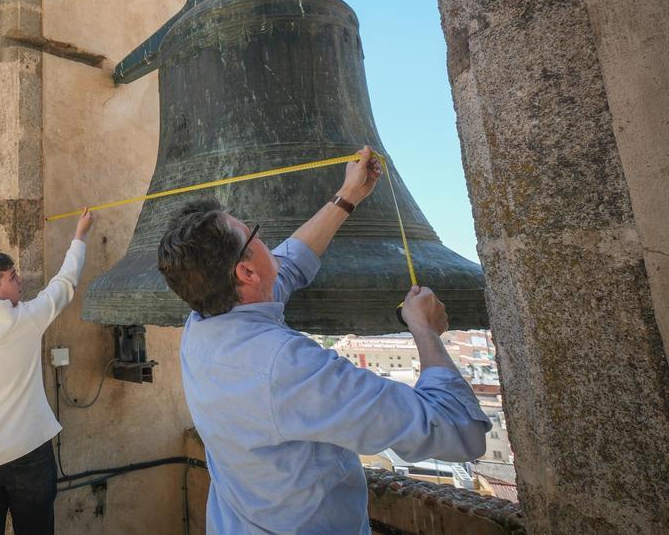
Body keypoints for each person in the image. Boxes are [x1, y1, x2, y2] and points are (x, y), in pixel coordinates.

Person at [157, 146, 490, 534]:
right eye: (255, 235)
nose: (266, 241)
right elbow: (458, 430)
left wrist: (348, 197)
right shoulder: (286, 366)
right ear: (247, 271)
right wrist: (425, 331)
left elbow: (289, 264)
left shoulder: (203, 323)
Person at [0, 208, 94, 535]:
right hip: (28, 457)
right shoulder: (24, 320)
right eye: (12, 277)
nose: (19, 280)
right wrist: (79, 236)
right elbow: (64, 284)